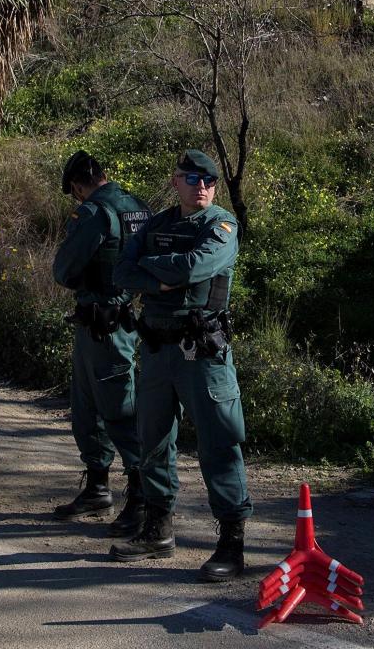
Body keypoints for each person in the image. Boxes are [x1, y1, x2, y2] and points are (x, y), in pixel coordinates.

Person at [108, 149, 250, 582]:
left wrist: (157, 269)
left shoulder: (221, 225)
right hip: (155, 349)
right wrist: (163, 273)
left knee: (219, 442)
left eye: (209, 181)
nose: (202, 187)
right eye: (193, 179)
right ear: (176, 183)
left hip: (201, 351)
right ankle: (157, 528)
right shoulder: (157, 224)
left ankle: (231, 542)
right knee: (152, 439)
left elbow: (199, 265)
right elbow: (121, 272)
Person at [51, 150, 151, 535]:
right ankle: (98, 487)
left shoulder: (92, 212)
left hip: (100, 322)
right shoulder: (138, 206)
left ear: (78, 185)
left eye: (74, 192)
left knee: (109, 407)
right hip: (124, 317)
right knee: (96, 402)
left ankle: (140, 495)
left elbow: (64, 269)